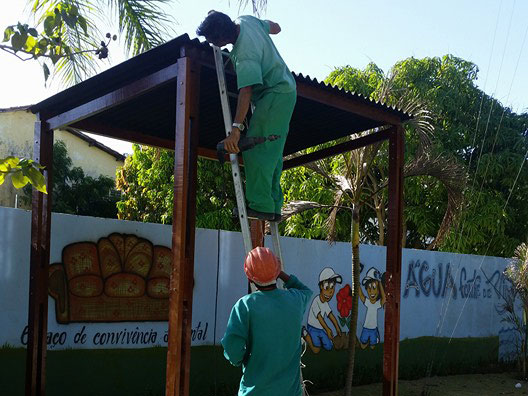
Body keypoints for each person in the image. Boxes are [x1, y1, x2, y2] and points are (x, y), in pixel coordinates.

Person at [197, 11, 297, 221]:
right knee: (272, 153)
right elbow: (275, 27)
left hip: (274, 94)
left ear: (221, 39)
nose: (212, 44)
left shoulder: (244, 54)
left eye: (212, 41)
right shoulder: (246, 20)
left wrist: (235, 131)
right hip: (286, 91)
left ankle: (261, 205)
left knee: (256, 149)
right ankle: (273, 206)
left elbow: (246, 91)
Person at [221, 247, 312, 396]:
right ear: (276, 273)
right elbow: (306, 290)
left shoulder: (245, 306)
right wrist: (280, 272)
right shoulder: (295, 300)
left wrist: (242, 360)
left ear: (249, 276)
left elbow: (232, 348)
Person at [303, 267, 343, 353]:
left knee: (329, 346)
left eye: (332, 287)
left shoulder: (325, 304)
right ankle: (306, 334)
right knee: (316, 350)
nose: (330, 292)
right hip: (313, 328)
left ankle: (319, 339)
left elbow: (331, 315)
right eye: (327, 288)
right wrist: (328, 329)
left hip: (320, 329)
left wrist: (337, 328)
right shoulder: (316, 301)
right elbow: (320, 318)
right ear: (321, 286)